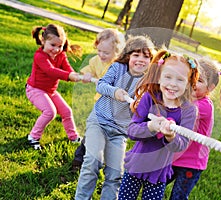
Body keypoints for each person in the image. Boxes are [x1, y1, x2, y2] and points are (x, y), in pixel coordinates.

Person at [75, 35, 155, 200]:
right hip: (99, 121)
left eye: (146, 56)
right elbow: (102, 84)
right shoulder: (117, 68)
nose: (140, 60)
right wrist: (115, 92)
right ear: (128, 56)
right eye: (136, 55)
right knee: (92, 162)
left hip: (119, 132)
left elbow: (148, 108)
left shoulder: (148, 82)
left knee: (115, 174)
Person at [118, 50, 199, 200]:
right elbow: (132, 131)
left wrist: (170, 136)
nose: (173, 84)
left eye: (180, 80)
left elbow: (181, 145)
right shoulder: (150, 97)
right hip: (136, 165)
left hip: (159, 172)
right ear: (159, 77)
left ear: (188, 84)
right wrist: (151, 127)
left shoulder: (189, 110)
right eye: (168, 77)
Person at [168, 57, 221, 200]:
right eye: (191, 77)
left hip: (191, 163)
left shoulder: (204, 106)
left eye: (199, 80)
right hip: (176, 156)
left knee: (178, 197)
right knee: (155, 185)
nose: (192, 83)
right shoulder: (185, 98)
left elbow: (177, 112)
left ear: (210, 87)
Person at [71, 28, 125, 171]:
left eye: (106, 53)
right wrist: (87, 75)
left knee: (108, 135)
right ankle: (79, 157)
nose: (101, 54)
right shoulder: (96, 60)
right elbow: (89, 71)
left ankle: (101, 160)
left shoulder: (119, 66)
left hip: (114, 108)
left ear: (117, 52)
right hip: (100, 104)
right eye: (99, 50)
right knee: (92, 131)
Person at [26, 24, 82, 150]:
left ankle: (73, 137)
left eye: (60, 46)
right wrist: (69, 76)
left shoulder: (61, 55)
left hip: (50, 91)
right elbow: (50, 71)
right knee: (50, 112)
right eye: (52, 45)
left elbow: (67, 67)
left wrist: (74, 75)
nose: (56, 49)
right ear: (43, 41)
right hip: (35, 89)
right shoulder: (39, 56)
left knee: (67, 112)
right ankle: (33, 137)